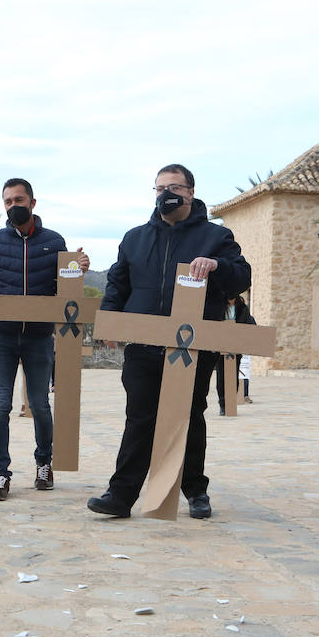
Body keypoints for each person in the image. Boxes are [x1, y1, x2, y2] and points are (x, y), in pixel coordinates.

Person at [88, 164, 251, 520]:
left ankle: (195, 491)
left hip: (192, 348)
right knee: (139, 418)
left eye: (173, 187)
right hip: (143, 347)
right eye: (159, 188)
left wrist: (218, 266)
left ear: (190, 192)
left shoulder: (216, 237)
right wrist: (109, 323)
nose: (166, 194)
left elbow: (241, 278)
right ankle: (120, 495)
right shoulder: (134, 238)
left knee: (190, 417)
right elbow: (117, 284)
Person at [0, 178, 88, 501]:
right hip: (2, 338)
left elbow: (66, 291)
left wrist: (79, 269)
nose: (13, 206)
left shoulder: (54, 241)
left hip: (38, 338)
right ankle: (1, 474)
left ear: (32, 203)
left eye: (19, 200)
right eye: (7, 201)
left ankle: (43, 463)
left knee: (41, 406)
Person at [214, 295, 256, 414]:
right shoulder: (219, 306)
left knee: (234, 377)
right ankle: (222, 404)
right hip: (221, 348)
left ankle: (230, 403)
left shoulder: (242, 308)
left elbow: (249, 324)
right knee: (221, 377)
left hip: (235, 348)